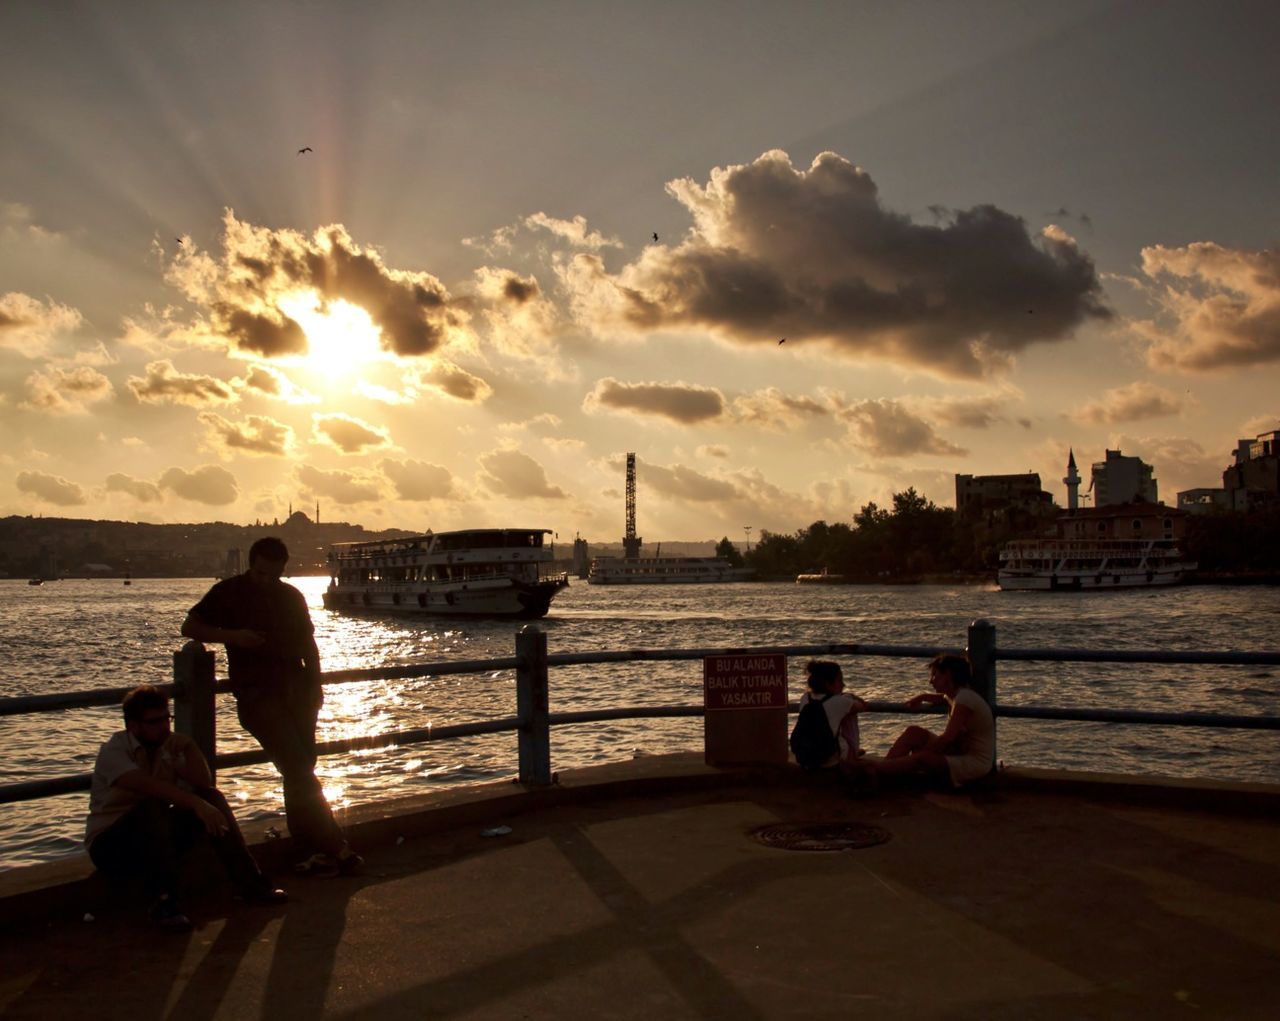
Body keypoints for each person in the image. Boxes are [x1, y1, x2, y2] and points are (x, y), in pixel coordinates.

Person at [182, 536, 361, 876]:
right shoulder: (228, 591)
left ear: (282, 569)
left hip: (298, 693)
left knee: (300, 769)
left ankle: (308, 850)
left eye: (273, 574)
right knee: (297, 768)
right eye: (261, 573)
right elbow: (189, 626)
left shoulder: (291, 596)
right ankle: (333, 845)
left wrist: (316, 688)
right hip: (257, 695)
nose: (266, 580)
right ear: (252, 565)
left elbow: (309, 643)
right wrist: (235, 637)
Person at [85, 685, 287, 930]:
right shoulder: (114, 751)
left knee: (211, 797)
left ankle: (251, 884)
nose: (163, 726)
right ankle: (163, 904)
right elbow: (146, 786)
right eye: (154, 722)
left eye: (166, 719)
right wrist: (195, 804)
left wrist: (190, 748)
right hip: (112, 845)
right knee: (153, 806)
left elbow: (203, 783)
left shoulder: (169, 747)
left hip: (157, 839)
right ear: (133, 726)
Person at [873, 653, 994, 787]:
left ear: (947, 675)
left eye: (935, 675)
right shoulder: (955, 695)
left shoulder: (965, 699)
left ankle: (874, 772)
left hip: (974, 762)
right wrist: (923, 697)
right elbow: (943, 698)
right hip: (959, 752)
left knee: (923, 758)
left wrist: (920, 755)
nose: (931, 680)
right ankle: (883, 772)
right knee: (914, 732)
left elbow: (948, 738)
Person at [795, 659, 868, 771]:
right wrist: (849, 696)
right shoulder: (840, 702)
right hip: (829, 761)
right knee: (849, 713)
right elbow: (862, 706)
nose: (843, 684)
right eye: (839, 680)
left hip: (805, 756)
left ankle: (851, 752)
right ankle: (852, 753)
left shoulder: (805, 697)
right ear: (828, 684)